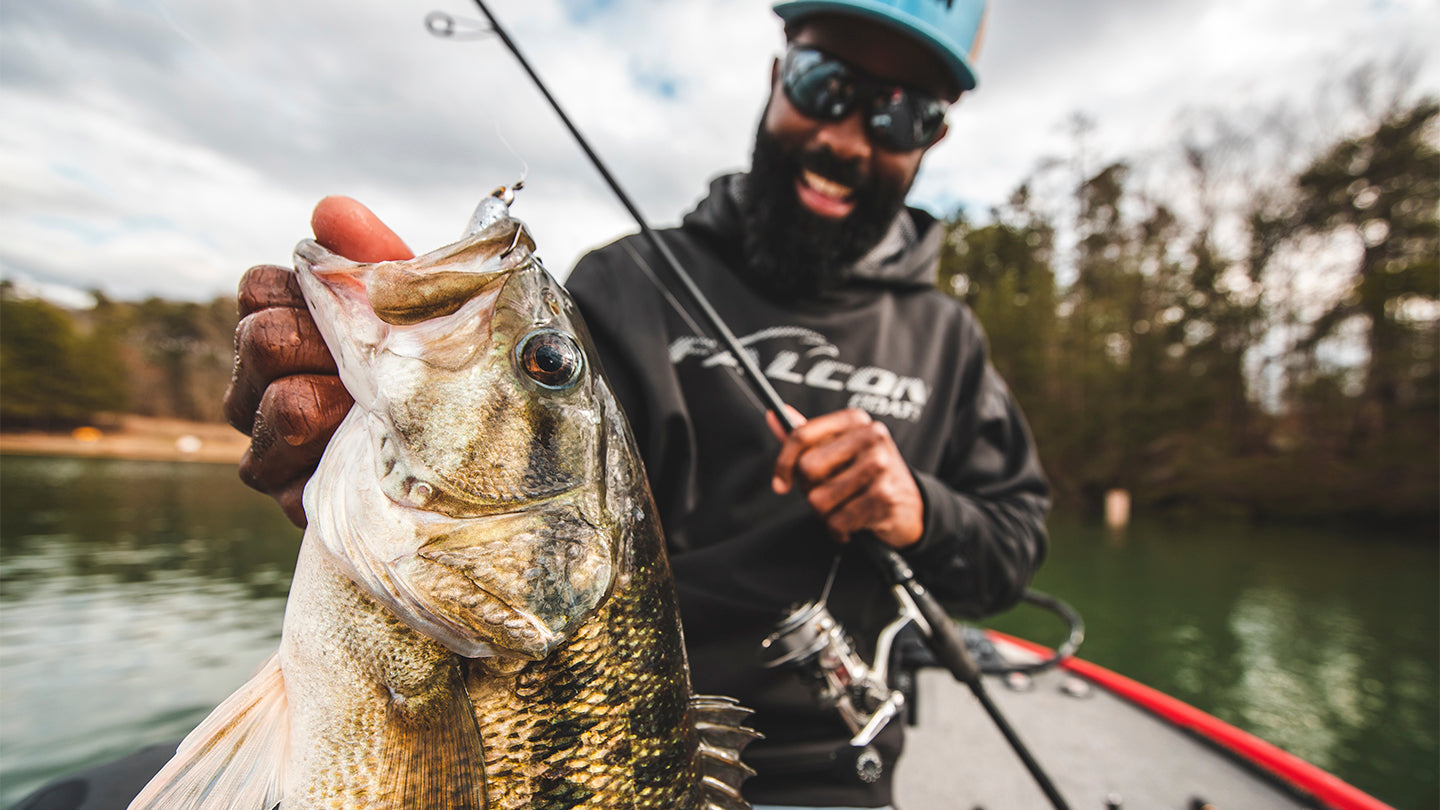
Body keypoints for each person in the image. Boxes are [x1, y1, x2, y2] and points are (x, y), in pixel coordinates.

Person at [13, 2, 1046, 809]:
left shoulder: (949, 339)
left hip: (830, 776)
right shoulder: (630, 285)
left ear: (932, 139)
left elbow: (1012, 549)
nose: (853, 136)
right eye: (828, 83)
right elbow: (520, 511)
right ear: (779, 76)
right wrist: (351, 441)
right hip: (546, 705)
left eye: (903, 113)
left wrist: (921, 509)